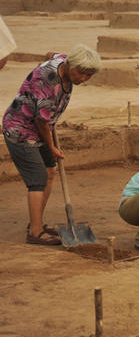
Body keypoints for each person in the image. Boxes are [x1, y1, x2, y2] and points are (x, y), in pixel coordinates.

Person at [2, 44, 102, 245]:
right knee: (37, 179)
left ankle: (36, 222)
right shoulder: (49, 83)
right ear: (69, 64)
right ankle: (35, 232)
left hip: (39, 126)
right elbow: (41, 121)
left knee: (50, 171)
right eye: (81, 73)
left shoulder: (65, 59)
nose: (83, 79)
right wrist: (52, 147)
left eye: (88, 75)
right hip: (20, 128)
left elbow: (50, 53)